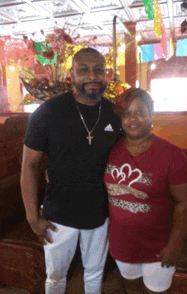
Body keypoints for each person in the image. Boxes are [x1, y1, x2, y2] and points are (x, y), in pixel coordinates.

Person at [20, 47, 121, 294]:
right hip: (58, 215)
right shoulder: (47, 113)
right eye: (83, 70)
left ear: (106, 74)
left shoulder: (114, 113)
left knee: (95, 273)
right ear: (71, 74)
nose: (92, 76)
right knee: (55, 277)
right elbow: (29, 166)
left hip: (100, 213)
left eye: (99, 70)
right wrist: (33, 217)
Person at [104, 88, 187, 294]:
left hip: (159, 246)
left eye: (140, 112)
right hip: (122, 243)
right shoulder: (110, 148)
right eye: (126, 114)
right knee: (131, 287)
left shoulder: (173, 155)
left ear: (151, 114)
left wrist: (175, 245)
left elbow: (186, 203)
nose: (133, 119)